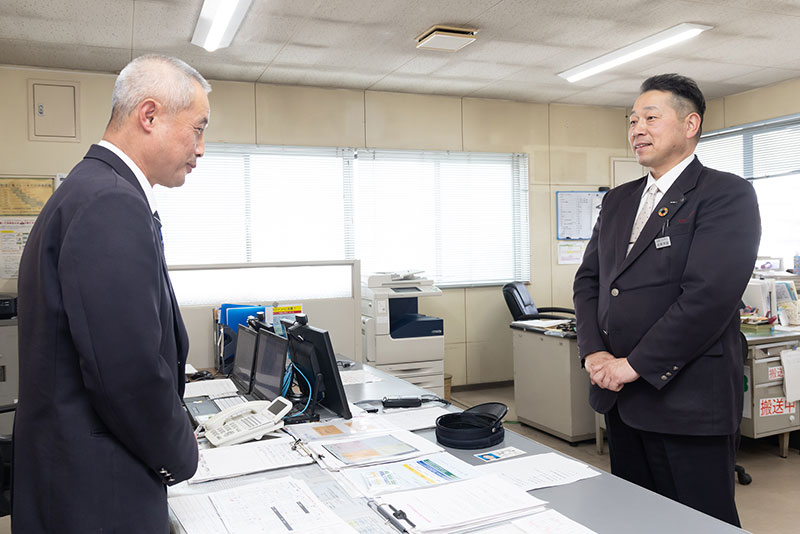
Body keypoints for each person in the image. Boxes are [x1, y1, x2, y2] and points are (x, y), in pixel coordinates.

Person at [13, 55, 211, 533]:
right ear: (150, 115)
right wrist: (181, 454)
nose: (201, 149)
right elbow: (127, 374)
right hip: (99, 495)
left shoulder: (87, 189)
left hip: (70, 478)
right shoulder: (110, 201)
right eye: (198, 129)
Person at [573, 73, 760, 526]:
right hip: (620, 399)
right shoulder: (618, 200)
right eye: (632, 120)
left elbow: (708, 298)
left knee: (699, 522)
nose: (637, 129)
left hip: (686, 402)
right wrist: (594, 352)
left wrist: (633, 364)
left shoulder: (725, 194)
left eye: (650, 118)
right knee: (637, 519)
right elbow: (590, 281)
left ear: (690, 124)